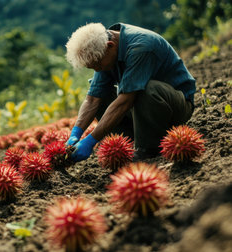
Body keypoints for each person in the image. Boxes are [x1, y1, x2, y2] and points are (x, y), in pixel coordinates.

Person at [65, 23, 196, 162]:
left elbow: (125, 101)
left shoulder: (141, 47)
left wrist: (91, 140)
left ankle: (148, 149)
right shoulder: (104, 52)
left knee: (145, 90)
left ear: (110, 46)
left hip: (175, 106)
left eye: (97, 64)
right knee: (102, 95)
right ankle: (130, 141)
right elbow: (92, 100)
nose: (97, 70)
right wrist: (75, 133)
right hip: (141, 109)